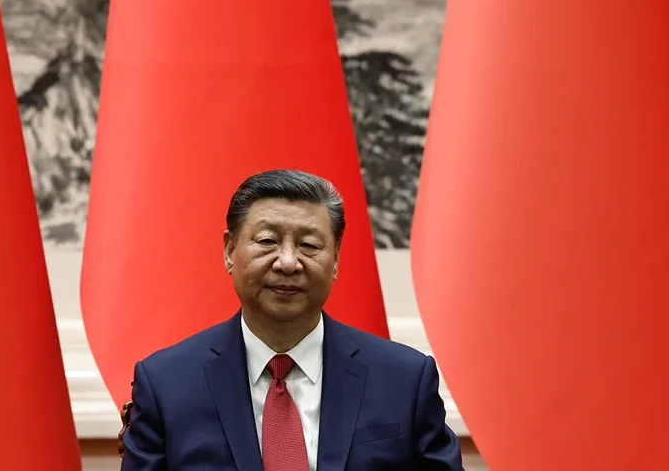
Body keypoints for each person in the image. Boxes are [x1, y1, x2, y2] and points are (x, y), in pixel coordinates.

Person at [120, 169, 463, 470]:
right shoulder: (166, 385)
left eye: (309, 245)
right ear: (230, 251)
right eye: (267, 241)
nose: (287, 262)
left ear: (336, 260)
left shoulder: (405, 381)